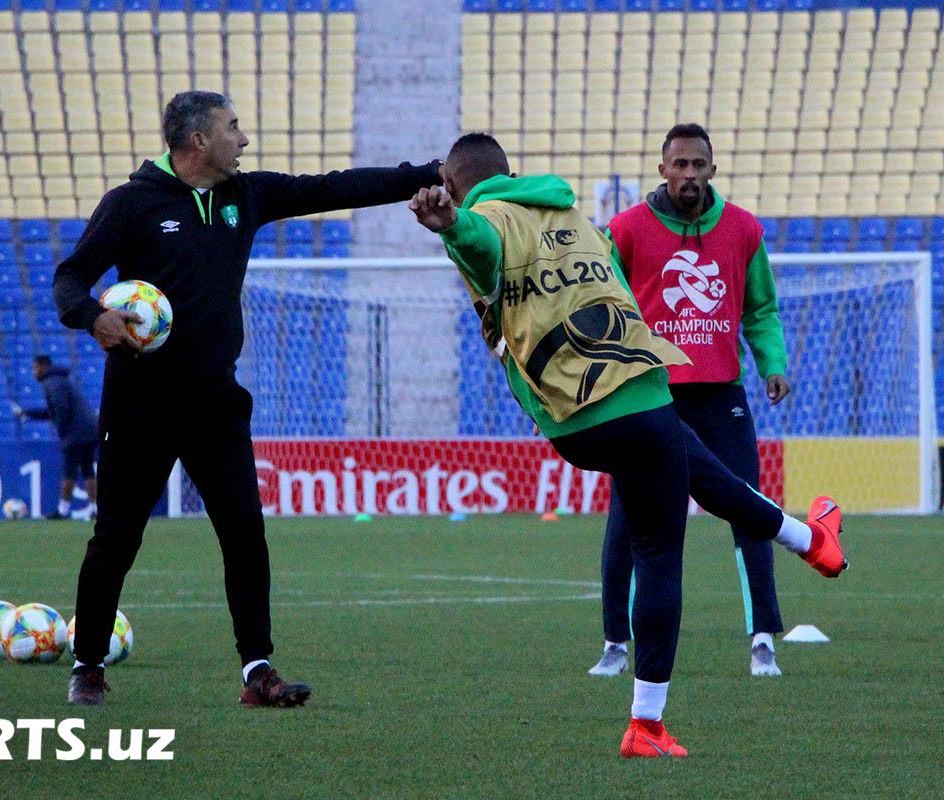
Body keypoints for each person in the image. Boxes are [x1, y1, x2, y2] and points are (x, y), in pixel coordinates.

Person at [408, 132, 846, 758]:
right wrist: (456, 225)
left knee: (699, 475)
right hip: (636, 395)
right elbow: (535, 264)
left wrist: (452, 226)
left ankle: (811, 543)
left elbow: (484, 252)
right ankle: (647, 724)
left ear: (454, 184)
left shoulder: (489, 222)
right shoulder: (573, 218)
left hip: (572, 424)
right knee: (661, 548)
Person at [53, 90, 445, 707]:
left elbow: (332, 188)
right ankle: (89, 666)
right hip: (140, 403)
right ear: (197, 142)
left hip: (214, 401)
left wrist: (429, 175)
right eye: (233, 128)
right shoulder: (131, 204)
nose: (245, 138)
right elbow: (70, 275)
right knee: (116, 538)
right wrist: (90, 317)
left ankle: (257, 671)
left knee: (243, 532)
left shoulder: (247, 195)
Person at [590, 123, 794, 680]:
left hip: (722, 397)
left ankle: (762, 639)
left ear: (712, 168)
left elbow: (761, 309)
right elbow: (602, 310)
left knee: (751, 511)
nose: (688, 174)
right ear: (662, 170)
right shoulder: (627, 229)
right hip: (652, 398)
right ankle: (614, 642)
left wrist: (772, 363)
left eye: (697, 164)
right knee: (628, 521)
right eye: (678, 164)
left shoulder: (743, 230)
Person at [12, 354, 99, 520]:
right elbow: (53, 411)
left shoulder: (51, 383)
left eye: (35, 368)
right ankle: (94, 508)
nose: (34, 373)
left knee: (69, 471)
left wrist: (63, 431)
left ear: (43, 367)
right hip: (89, 429)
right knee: (88, 469)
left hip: (76, 432)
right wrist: (28, 413)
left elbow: (60, 409)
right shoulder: (60, 380)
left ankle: (62, 511)